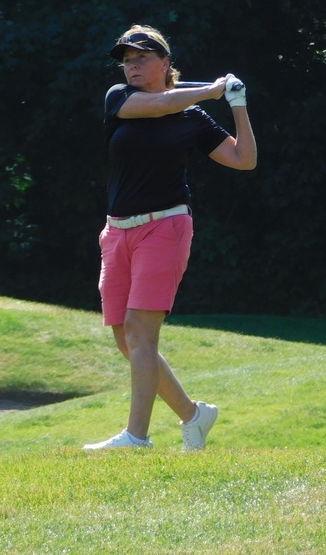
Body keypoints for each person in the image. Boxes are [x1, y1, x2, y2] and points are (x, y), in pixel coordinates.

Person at [83, 25, 257, 451]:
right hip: (117, 232)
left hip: (165, 227)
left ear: (165, 63)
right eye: (127, 60)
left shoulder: (192, 118)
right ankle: (195, 416)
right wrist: (212, 89)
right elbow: (159, 105)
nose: (132, 66)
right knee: (126, 339)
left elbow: (243, 159)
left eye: (142, 58)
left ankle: (137, 438)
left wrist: (237, 104)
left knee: (141, 332)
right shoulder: (120, 99)